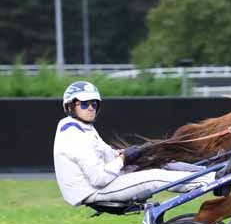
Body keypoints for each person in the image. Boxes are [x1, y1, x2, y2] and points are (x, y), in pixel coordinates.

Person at [53, 81, 212, 206]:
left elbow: (106, 155)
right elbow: (98, 178)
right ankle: (211, 181)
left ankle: (209, 172)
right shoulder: (74, 135)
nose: (90, 108)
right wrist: (122, 159)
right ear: (70, 106)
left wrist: (128, 154)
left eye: (94, 104)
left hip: (102, 184)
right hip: (93, 191)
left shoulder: (83, 128)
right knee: (153, 177)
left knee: (156, 161)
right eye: (84, 104)